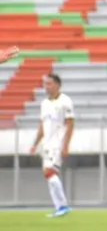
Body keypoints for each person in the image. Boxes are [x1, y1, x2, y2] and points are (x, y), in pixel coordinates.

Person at [28, 73, 74, 218]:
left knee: (50, 172)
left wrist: (66, 145)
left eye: (49, 84)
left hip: (58, 144)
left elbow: (70, 124)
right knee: (48, 174)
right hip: (46, 144)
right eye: (45, 84)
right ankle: (59, 206)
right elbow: (42, 126)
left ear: (57, 85)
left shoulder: (65, 101)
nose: (46, 87)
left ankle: (63, 205)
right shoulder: (44, 104)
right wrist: (35, 144)